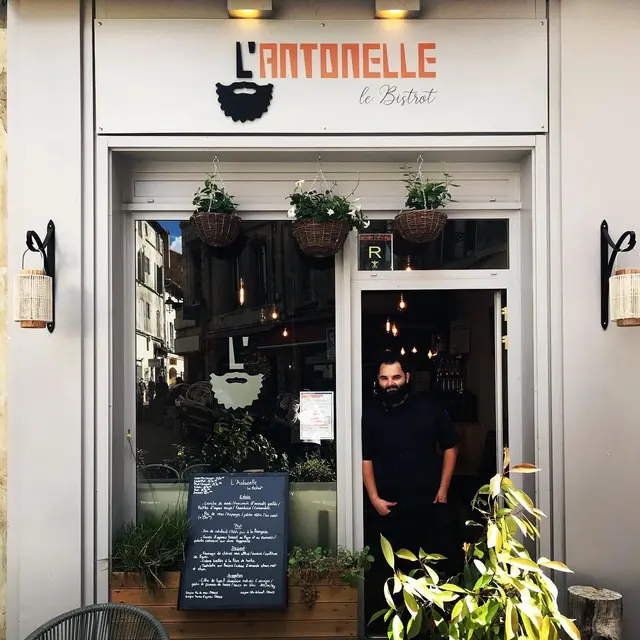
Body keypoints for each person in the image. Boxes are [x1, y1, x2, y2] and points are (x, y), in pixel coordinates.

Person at [362, 355, 462, 628]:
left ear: (406, 377)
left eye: (395, 377)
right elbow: (365, 459)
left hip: (429, 505)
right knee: (391, 575)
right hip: (389, 509)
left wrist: (443, 490)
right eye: (384, 378)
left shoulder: (429, 408)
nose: (390, 383)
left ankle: (432, 628)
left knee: (432, 573)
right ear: (378, 381)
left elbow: (451, 446)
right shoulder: (370, 413)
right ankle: (395, 627)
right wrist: (373, 498)